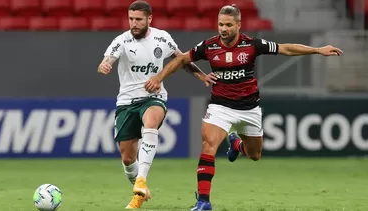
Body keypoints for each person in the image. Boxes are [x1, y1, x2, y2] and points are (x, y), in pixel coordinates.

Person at [144, 4, 343, 211]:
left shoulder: (252, 45)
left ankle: (236, 145)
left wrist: (318, 50)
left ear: (238, 25)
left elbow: (285, 48)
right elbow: (182, 58)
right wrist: (160, 77)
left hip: (249, 108)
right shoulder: (209, 46)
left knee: (254, 154)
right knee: (208, 145)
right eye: (220, 24)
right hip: (220, 106)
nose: (223, 29)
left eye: (228, 25)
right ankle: (203, 201)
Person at [97, 0, 213, 209]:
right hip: (126, 102)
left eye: (138, 19)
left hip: (153, 97)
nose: (134, 23)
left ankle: (142, 179)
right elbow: (107, 59)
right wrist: (105, 65)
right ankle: (140, 190)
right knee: (127, 158)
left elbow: (181, 59)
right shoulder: (121, 40)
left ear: (149, 19)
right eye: (131, 19)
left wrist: (202, 76)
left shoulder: (162, 38)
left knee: (150, 123)